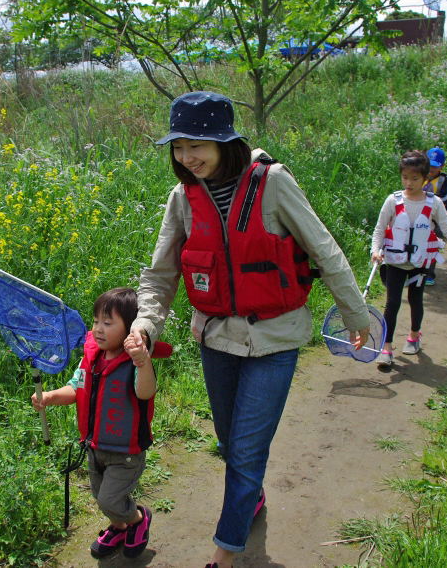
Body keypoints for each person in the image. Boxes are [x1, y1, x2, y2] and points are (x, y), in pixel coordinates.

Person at [126, 91, 371, 568]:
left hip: (275, 340)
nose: (186, 157)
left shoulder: (273, 183)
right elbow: (160, 275)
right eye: (178, 146)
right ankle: (251, 498)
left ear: (225, 142)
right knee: (227, 440)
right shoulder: (183, 198)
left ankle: (225, 550)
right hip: (216, 338)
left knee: (244, 452)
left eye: (197, 145)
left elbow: (324, 249)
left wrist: (355, 313)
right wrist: (145, 324)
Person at [30, 287, 158, 560]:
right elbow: (76, 389)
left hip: (125, 453)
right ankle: (119, 526)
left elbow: (146, 392)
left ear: (130, 330)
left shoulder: (135, 362)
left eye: (108, 323)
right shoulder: (92, 359)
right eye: (96, 321)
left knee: (109, 500)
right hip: (95, 447)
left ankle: (137, 519)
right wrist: (49, 397)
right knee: (101, 496)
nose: (98, 329)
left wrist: (143, 361)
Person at [371, 151, 447, 369]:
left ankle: (413, 335)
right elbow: (380, 229)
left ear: (425, 179)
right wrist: (375, 250)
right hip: (394, 261)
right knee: (391, 303)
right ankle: (387, 347)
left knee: (415, 299)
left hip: (420, 263)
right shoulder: (393, 201)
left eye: (415, 178)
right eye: (405, 177)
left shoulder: (434, 203)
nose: (409, 183)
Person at [422, 147, 447, 287]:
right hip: (421, 217)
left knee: (432, 246)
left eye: (435, 167)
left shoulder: (444, 180)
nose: (431, 170)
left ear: (442, 166)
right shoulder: (420, 177)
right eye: (429, 166)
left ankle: (429, 274)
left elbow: (446, 196)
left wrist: (433, 203)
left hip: (436, 218)